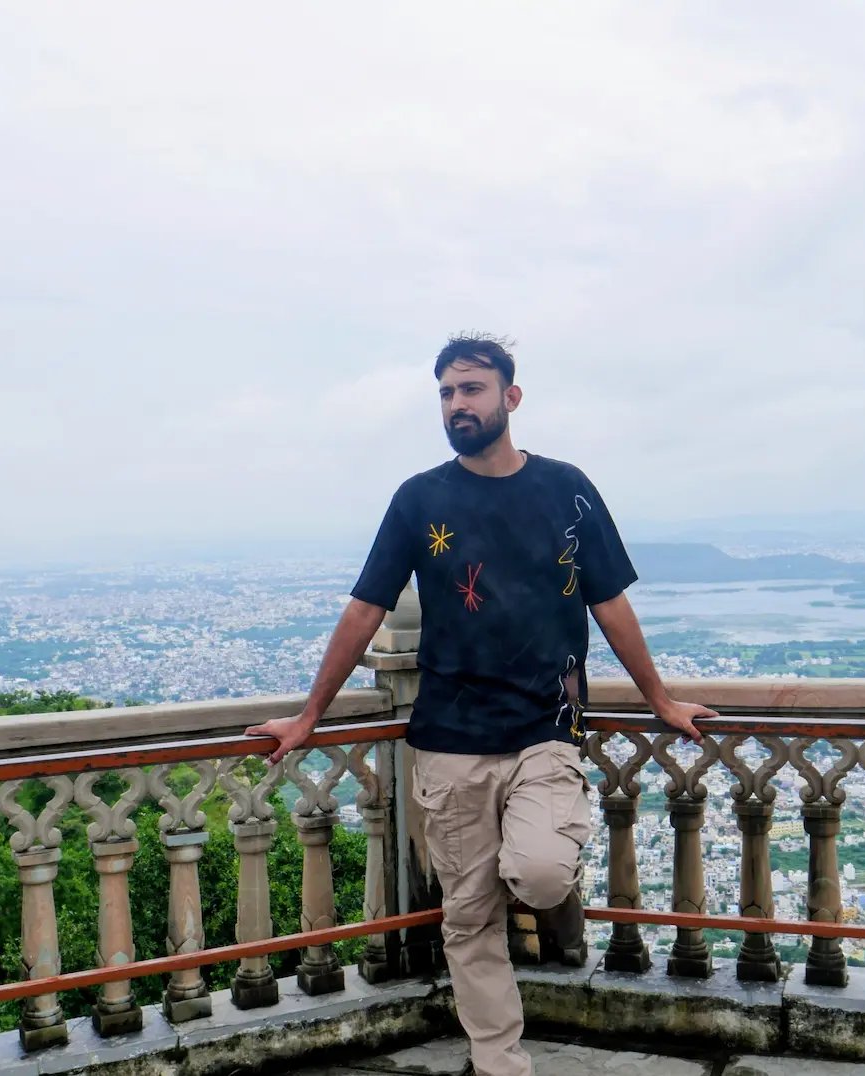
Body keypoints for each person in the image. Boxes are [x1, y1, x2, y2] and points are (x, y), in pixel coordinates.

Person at [249, 333, 716, 1076]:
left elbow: (610, 603)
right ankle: (500, 1062)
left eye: (470, 388)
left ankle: (555, 908)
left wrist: (658, 697)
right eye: (445, 392)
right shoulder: (419, 498)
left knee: (537, 875)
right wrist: (308, 715)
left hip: (543, 730)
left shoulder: (565, 488)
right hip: (449, 740)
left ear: (510, 397)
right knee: (467, 918)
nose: (456, 404)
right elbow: (365, 610)